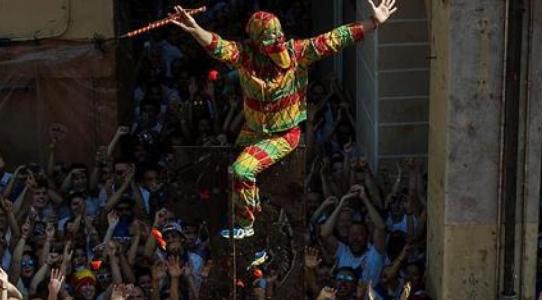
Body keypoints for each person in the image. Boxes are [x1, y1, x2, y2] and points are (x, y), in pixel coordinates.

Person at [169, 0, 399, 239]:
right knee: (230, 172)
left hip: (283, 135)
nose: (277, 45)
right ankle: (253, 213)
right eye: (270, 42)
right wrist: (195, 28)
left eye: (279, 37)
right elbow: (219, 46)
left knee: (240, 171)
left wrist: (372, 23)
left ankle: (246, 225)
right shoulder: (246, 56)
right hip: (253, 131)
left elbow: (335, 38)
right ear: (258, 43)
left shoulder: (298, 53)